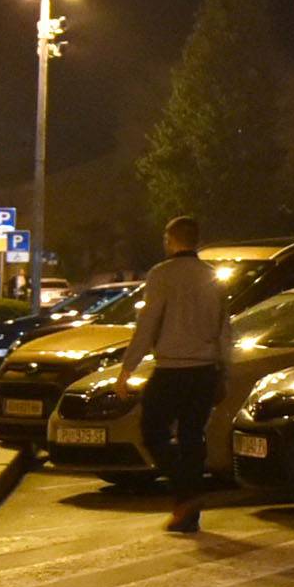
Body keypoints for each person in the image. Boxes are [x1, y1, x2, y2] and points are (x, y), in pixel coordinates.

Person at [119, 215, 232, 533]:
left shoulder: (161, 275)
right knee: (192, 436)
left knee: (152, 430)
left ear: (171, 240)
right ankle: (189, 512)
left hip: (171, 370)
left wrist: (127, 369)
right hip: (205, 370)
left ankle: (187, 493)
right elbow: (225, 329)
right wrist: (224, 371)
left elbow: (148, 323)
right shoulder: (213, 277)